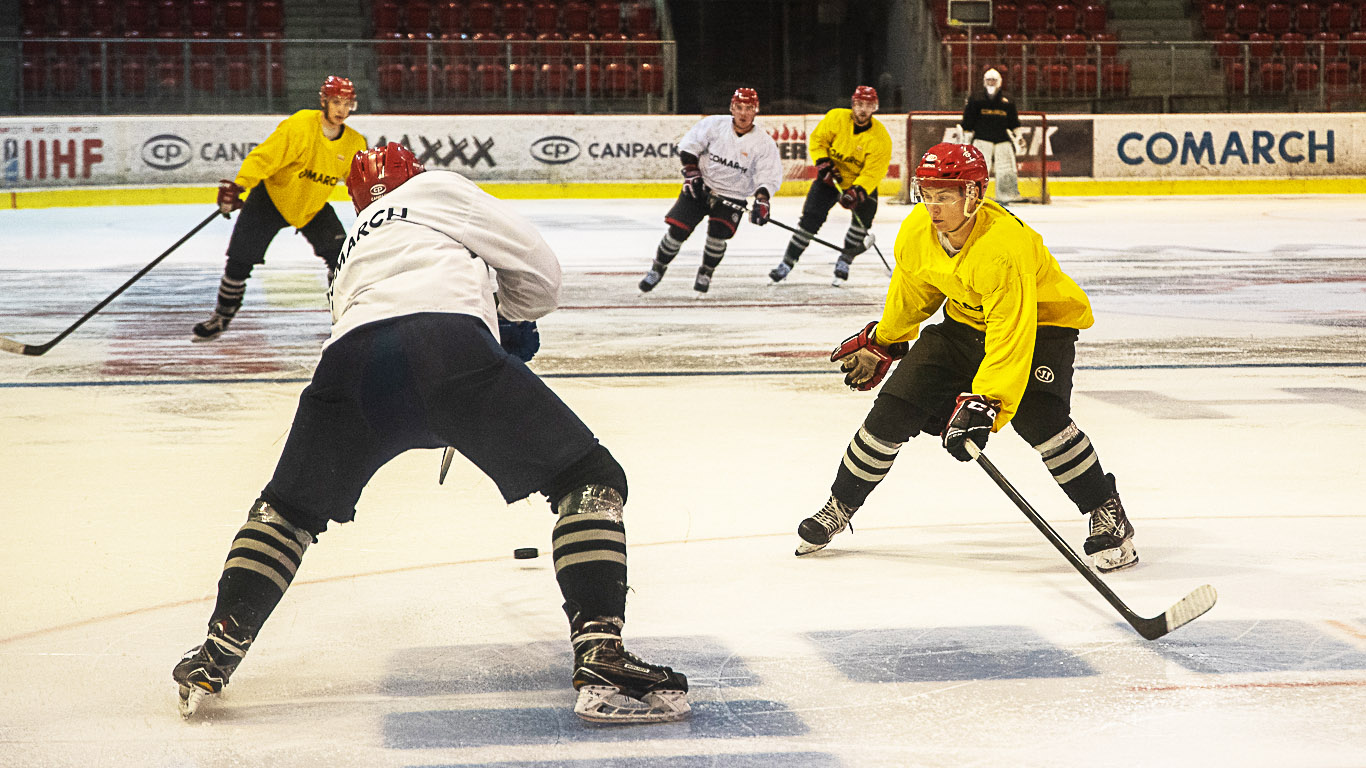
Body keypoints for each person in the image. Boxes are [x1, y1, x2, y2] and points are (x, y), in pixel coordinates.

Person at [172, 143, 690, 725]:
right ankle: (600, 649)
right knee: (588, 479)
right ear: (409, 175)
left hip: (350, 364)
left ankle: (215, 653)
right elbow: (542, 277)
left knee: (287, 509)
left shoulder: (350, 246)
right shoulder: (436, 188)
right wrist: (507, 318)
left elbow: (368, 313)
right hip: (447, 350)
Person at [793, 142, 1138, 577]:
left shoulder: (1003, 248)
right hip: (965, 323)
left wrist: (986, 403)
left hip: (1041, 324)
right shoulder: (917, 230)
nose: (932, 207)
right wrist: (887, 339)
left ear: (973, 196)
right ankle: (838, 506)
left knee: (1039, 416)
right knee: (894, 408)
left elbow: (1010, 337)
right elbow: (915, 291)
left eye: (945, 196)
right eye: (927, 193)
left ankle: (1107, 513)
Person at [191, 75, 368, 341]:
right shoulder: (299, 126)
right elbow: (264, 158)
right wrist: (240, 185)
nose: (342, 109)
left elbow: (357, 181)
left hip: (311, 205)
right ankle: (221, 317)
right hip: (271, 199)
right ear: (324, 102)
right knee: (239, 261)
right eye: (336, 102)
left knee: (341, 259)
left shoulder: (355, 142)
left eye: (347, 103)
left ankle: (345, 318)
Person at [638, 87, 783, 295]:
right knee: (677, 231)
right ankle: (657, 268)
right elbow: (689, 148)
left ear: (756, 110)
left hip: (733, 196)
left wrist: (762, 200)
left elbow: (767, 176)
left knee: (718, 236)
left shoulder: (764, 143)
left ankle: (706, 271)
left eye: (749, 108)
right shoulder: (714, 124)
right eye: (739, 107)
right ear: (732, 108)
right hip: (700, 188)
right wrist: (691, 173)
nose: (743, 113)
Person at [768, 85, 892, 286]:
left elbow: (873, 172)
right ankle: (786, 263)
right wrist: (823, 164)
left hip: (858, 184)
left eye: (868, 105)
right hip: (830, 180)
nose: (863, 109)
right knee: (809, 220)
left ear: (875, 107)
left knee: (862, 223)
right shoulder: (836, 118)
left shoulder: (881, 138)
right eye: (860, 104)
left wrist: (857, 192)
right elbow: (818, 141)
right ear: (853, 104)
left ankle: (844, 261)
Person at [959, 69, 1027, 205]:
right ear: (984, 82)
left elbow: (1013, 122)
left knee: (1006, 169)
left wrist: (1019, 136)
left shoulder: (1008, 100)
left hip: (1002, 140)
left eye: (994, 80)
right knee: (978, 169)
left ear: (999, 82)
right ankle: (973, 195)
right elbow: (968, 121)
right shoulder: (975, 98)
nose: (991, 83)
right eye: (988, 80)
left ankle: (1007, 196)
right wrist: (966, 138)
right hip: (982, 139)